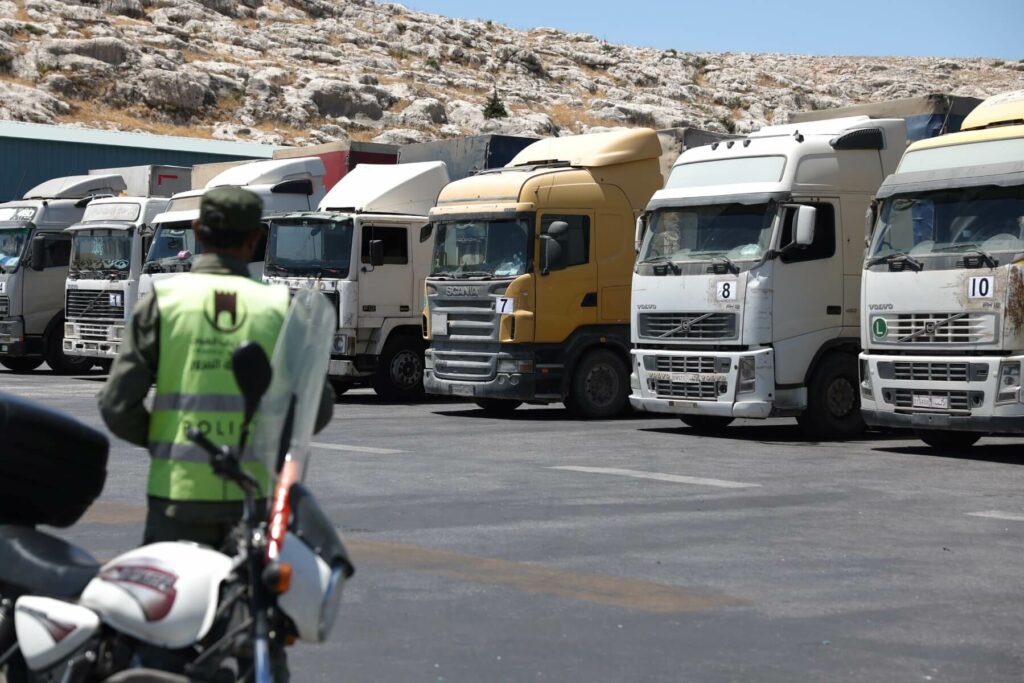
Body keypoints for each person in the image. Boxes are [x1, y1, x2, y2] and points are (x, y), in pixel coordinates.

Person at [98, 186, 333, 548]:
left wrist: (167, 441)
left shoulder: (164, 304)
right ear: (256, 239)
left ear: (197, 231)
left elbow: (116, 404)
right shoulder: (280, 308)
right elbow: (317, 406)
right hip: (255, 501)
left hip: (178, 498)